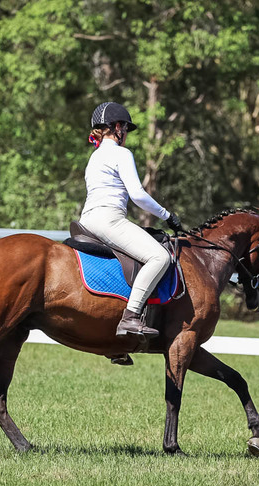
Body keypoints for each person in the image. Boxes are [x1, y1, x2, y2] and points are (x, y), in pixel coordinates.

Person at [79, 102, 183, 340]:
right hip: (108, 219)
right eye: (125, 127)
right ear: (117, 128)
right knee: (160, 257)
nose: (126, 133)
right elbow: (137, 194)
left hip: (87, 220)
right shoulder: (122, 154)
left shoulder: (94, 157)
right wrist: (167, 216)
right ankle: (131, 317)